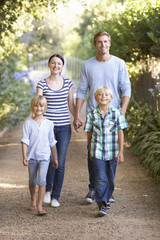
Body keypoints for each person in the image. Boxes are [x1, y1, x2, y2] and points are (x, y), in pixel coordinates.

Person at [74, 30, 131, 204]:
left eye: (105, 41)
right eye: (99, 42)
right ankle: (93, 188)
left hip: (113, 115)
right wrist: (77, 114)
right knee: (93, 151)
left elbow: (126, 88)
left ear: (110, 43)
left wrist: (122, 111)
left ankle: (108, 190)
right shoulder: (87, 65)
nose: (103, 45)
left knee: (111, 154)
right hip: (94, 114)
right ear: (95, 44)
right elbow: (82, 90)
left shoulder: (119, 64)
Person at [36, 54, 75, 208]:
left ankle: (55, 196)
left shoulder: (68, 83)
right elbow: (37, 104)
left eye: (59, 63)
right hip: (47, 128)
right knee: (50, 159)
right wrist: (35, 124)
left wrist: (77, 117)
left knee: (61, 161)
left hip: (64, 127)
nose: (56, 66)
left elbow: (71, 104)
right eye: (53, 63)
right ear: (49, 65)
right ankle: (47, 190)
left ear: (62, 66)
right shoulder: (42, 84)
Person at [85, 86, 128, 217]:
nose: (103, 97)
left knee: (110, 178)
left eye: (106, 95)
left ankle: (107, 197)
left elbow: (121, 133)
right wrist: (90, 150)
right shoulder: (92, 114)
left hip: (112, 152)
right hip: (97, 151)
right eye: (100, 95)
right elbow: (89, 134)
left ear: (111, 98)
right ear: (95, 97)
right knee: (100, 178)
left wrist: (121, 152)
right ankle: (102, 204)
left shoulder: (117, 114)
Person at [21, 95, 58, 216]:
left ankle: (40, 206)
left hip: (44, 156)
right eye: (36, 105)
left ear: (45, 107)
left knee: (42, 180)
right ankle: (33, 199)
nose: (38, 108)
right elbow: (25, 140)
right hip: (32, 157)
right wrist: (24, 156)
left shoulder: (49, 124)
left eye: (41, 106)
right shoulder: (28, 124)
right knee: (32, 181)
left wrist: (55, 158)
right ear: (33, 107)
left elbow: (52, 142)